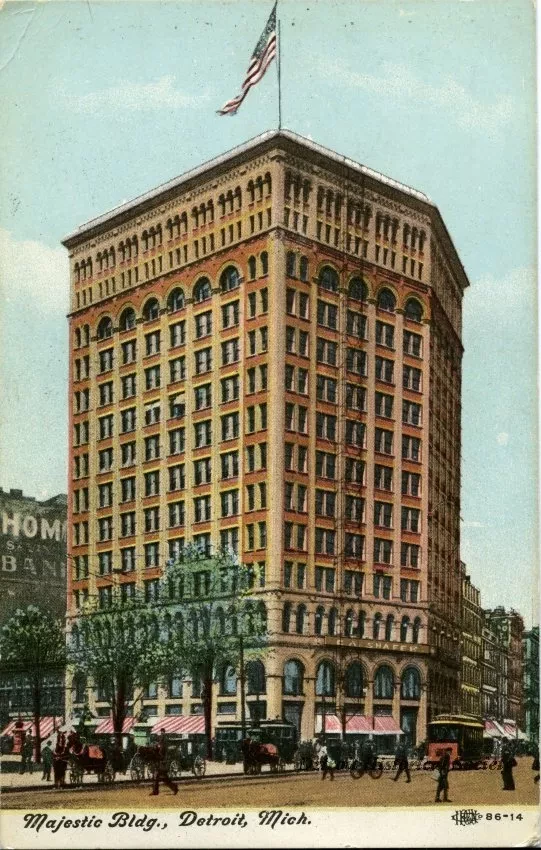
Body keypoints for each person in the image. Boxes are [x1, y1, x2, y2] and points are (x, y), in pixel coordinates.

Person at [150, 729, 178, 796]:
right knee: (162, 778)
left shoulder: (163, 746)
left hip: (163, 763)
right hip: (162, 763)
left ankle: (156, 791)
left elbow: (161, 755)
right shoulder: (162, 745)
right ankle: (173, 788)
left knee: (160, 777)